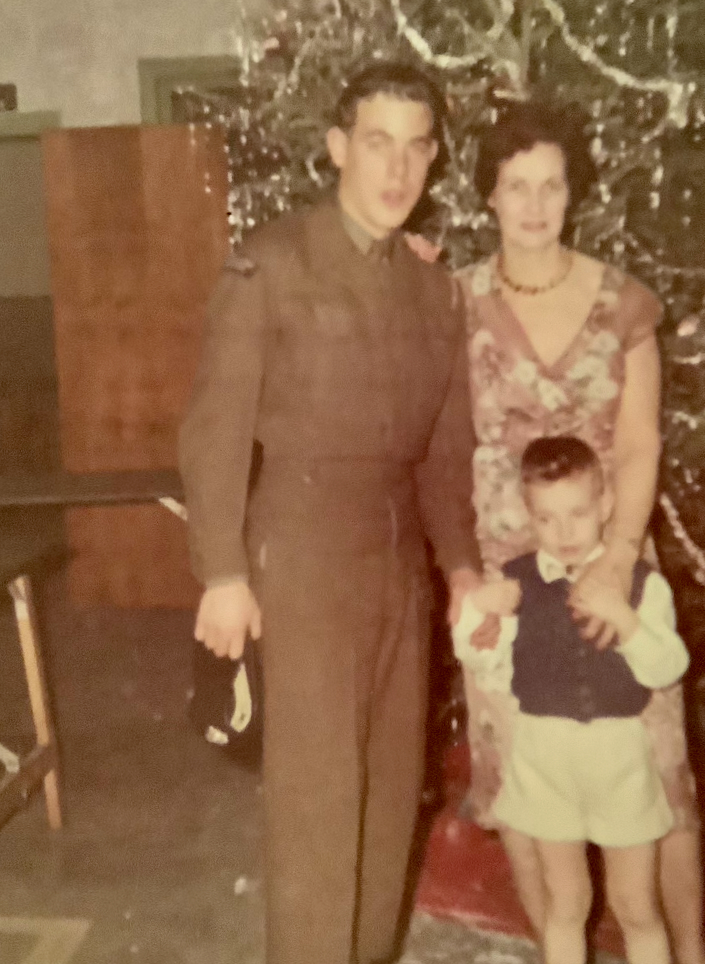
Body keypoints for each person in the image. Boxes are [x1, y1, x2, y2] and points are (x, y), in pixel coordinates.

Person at [178, 62, 482, 964]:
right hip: (301, 555)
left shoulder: (435, 290)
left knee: (389, 796)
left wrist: (462, 566)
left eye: (416, 148)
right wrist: (222, 571)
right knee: (317, 805)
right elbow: (215, 426)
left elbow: (445, 449)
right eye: (377, 143)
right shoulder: (272, 262)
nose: (398, 168)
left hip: (398, 565)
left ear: (434, 158)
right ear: (338, 147)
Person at [456, 100, 705, 963]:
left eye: (552, 186)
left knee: (658, 781)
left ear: (574, 192)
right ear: (488, 196)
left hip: (612, 559)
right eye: (515, 186)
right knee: (524, 786)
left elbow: (639, 442)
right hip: (508, 576)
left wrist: (618, 559)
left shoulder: (621, 302)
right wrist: (467, 579)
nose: (534, 205)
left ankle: (689, 955)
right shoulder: (455, 303)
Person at [454, 435, 690, 964]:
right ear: (529, 516)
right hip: (546, 761)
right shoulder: (517, 583)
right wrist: (479, 612)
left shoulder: (641, 585)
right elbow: (479, 656)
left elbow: (668, 667)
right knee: (566, 902)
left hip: (619, 759)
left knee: (636, 906)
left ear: (606, 506)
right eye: (547, 518)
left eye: (578, 514)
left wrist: (624, 619)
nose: (563, 533)